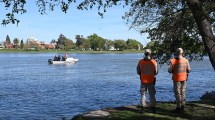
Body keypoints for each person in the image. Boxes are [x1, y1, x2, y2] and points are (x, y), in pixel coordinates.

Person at [168, 48, 191, 113]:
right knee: (183, 92)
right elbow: (189, 70)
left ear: (176, 53)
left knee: (177, 93)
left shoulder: (172, 61)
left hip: (176, 79)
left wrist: (173, 70)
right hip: (184, 79)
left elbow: (169, 70)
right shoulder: (186, 60)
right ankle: (183, 107)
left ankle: (178, 107)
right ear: (182, 53)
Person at [137, 49, 158, 113]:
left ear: (144, 54)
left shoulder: (140, 62)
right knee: (152, 95)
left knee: (143, 95)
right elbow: (156, 72)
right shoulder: (154, 61)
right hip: (151, 81)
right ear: (150, 54)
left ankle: (143, 108)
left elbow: (138, 72)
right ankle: (153, 108)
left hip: (143, 81)